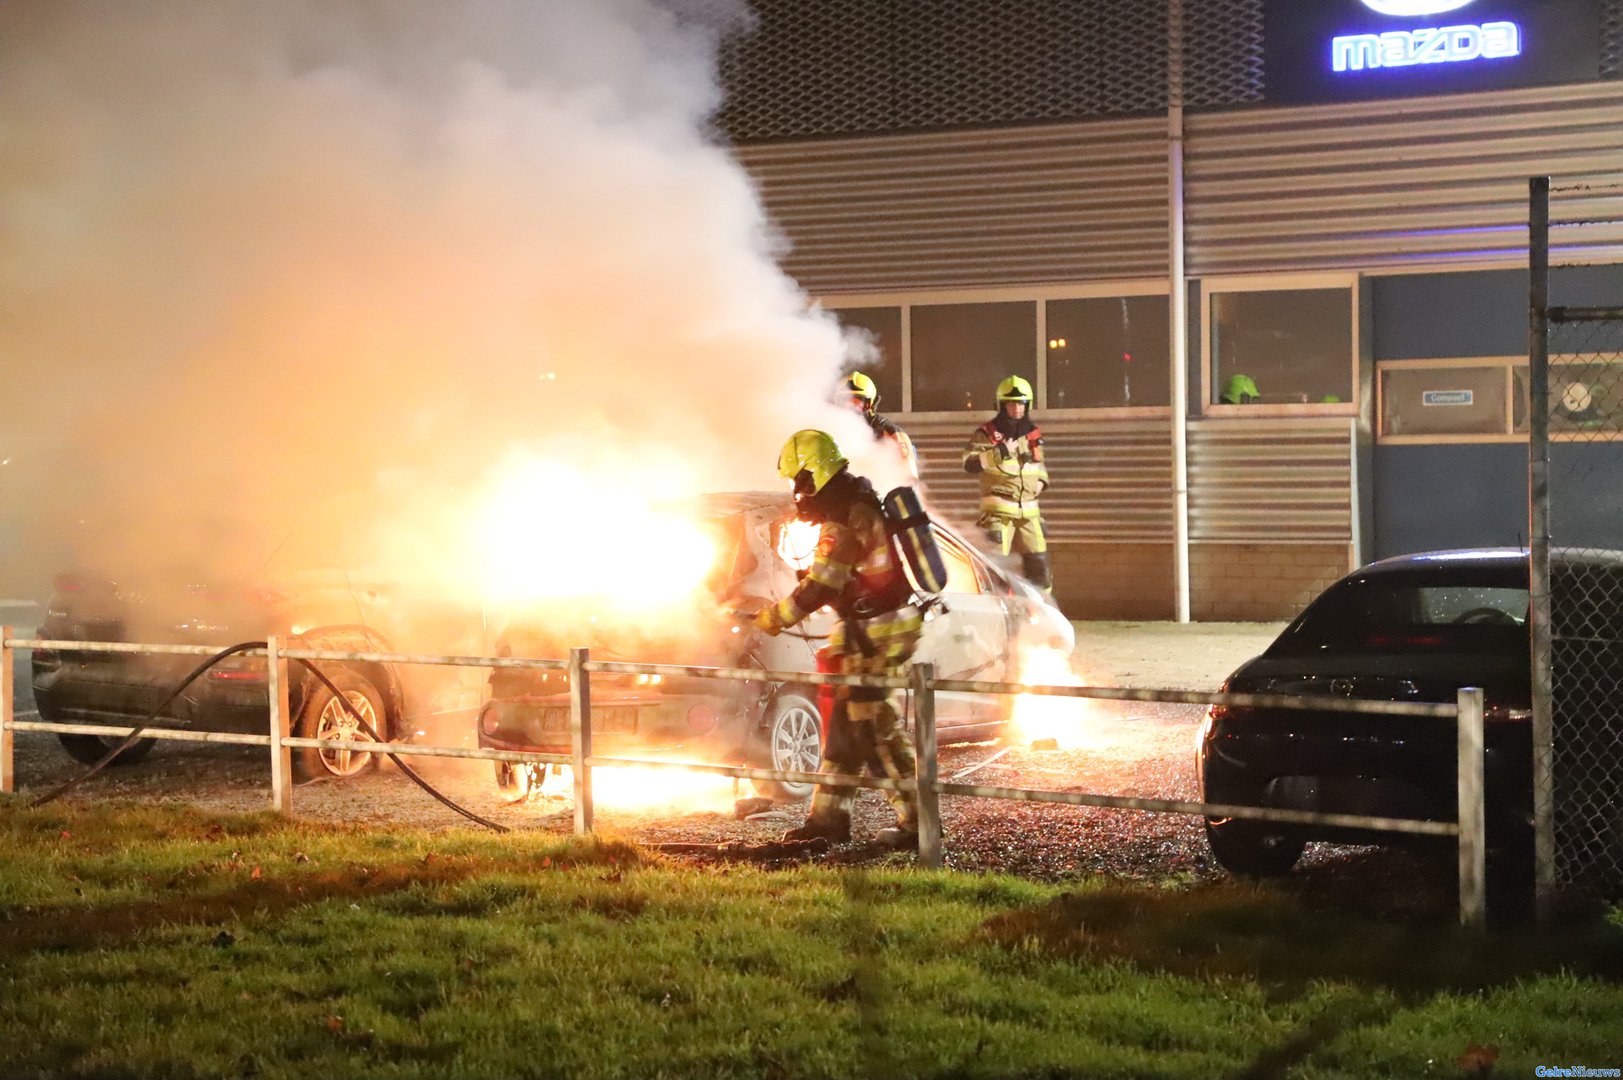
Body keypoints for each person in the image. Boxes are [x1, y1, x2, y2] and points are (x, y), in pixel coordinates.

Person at [753, 429, 924, 849]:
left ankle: (920, 824)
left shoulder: (846, 515)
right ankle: (828, 820)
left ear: (815, 475)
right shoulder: (854, 504)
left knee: (877, 729)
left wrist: (774, 617)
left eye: (799, 481)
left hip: (876, 632)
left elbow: (823, 585)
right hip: (873, 627)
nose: (797, 492)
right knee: (847, 733)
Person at [962, 375, 1051, 595]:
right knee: (994, 570)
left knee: (1039, 569)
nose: (1017, 409)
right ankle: (997, 616)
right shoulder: (986, 434)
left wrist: (1041, 482)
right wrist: (1000, 452)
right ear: (1001, 406)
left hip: (1030, 515)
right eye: (1011, 404)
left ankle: (1045, 615)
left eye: (1021, 403)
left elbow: (1040, 466)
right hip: (998, 517)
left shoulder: (1032, 435)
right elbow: (970, 463)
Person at [842, 371, 919, 479]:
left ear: (869, 404)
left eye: (855, 401)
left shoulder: (890, 433)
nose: (848, 406)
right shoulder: (832, 433)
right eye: (843, 401)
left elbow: (909, 478)